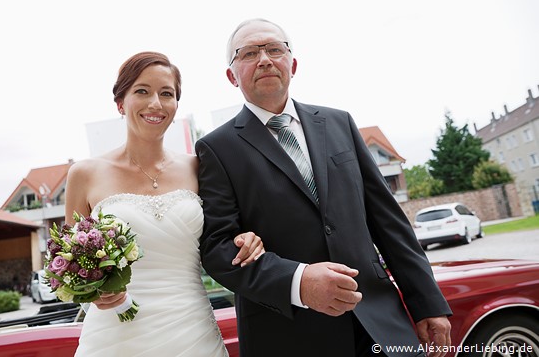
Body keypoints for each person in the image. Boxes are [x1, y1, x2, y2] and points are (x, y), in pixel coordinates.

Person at [196, 18, 452, 357]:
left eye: (275, 49)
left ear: (293, 63)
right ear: (232, 75)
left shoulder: (340, 122)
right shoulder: (216, 148)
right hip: (291, 334)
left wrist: (427, 302)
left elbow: (388, 222)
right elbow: (217, 249)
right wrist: (298, 282)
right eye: (249, 53)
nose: (265, 59)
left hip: (379, 321)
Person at [66, 51, 264, 357]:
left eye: (166, 94)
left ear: (175, 106)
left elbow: (224, 235)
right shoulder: (84, 174)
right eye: (142, 91)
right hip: (115, 336)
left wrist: (247, 239)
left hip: (191, 332)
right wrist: (93, 292)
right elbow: (71, 265)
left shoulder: (200, 168)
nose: (155, 103)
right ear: (120, 103)